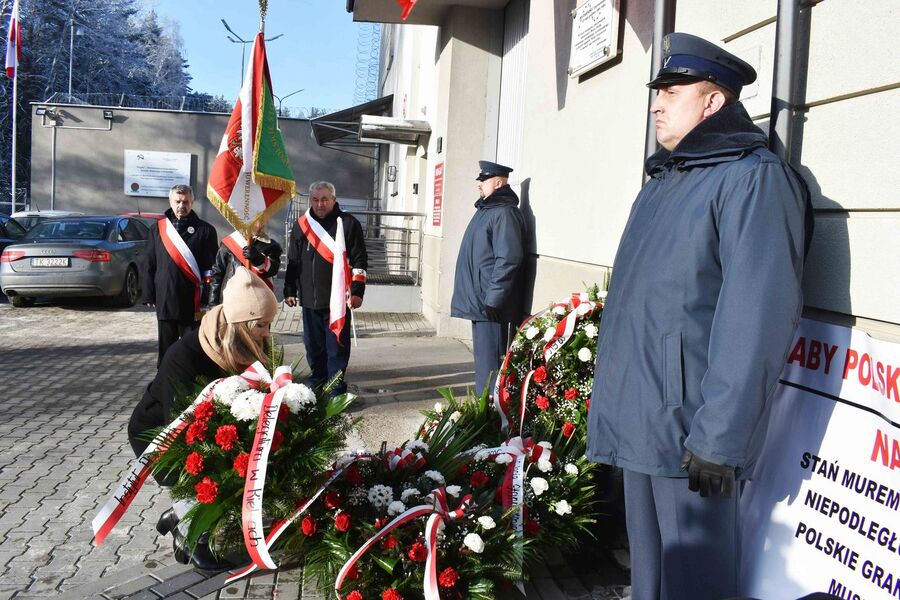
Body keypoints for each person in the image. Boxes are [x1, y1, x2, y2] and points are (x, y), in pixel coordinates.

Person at [586, 33, 813, 600]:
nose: (656, 103)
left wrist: (720, 437)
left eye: (671, 90)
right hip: (642, 422)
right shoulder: (667, 180)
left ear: (713, 102)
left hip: (691, 435)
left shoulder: (752, 178)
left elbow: (756, 318)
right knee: (651, 582)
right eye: (656, 91)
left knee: (694, 584)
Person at [128, 266, 278, 570]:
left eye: (268, 325)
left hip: (214, 429)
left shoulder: (255, 345)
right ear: (241, 324)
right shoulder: (183, 356)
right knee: (203, 477)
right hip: (163, 433)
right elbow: (183, 433)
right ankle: (190, 533)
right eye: (261, 325)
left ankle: (180, 517)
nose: (267, 333)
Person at [283, 181, 368, 395]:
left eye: (324, 199)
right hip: (310, 298)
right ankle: (318, 378)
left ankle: (335, 384)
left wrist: (357, 292)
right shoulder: (301, 225)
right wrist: (290, 289)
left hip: (337, 300)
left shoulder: (348, 224)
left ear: (333, 200)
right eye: (315, 199)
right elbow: (293, 261)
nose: (319, 204)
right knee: (313, 346)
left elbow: (360, 260)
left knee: (336, 346)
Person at [450, 160, 526, 396]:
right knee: (485, 364)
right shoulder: (487, 210)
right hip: (482, 302)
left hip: (491, 305)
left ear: (498, 181)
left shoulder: (503, 213)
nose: (478, 184)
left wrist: (493, 299)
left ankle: (492, 418)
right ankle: (486, 413)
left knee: (491, 368)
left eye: (483, 180)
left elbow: (508, 258)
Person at [142, 184, 218, 365]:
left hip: (193, 300)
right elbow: (149, 263)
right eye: (177, 201)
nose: (181, 206)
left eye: (185, 202)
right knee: (166, 349)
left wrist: (209, 296)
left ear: (192, 203)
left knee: (193, 349)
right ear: (170, 201)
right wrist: (149, 294)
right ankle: (164, 385)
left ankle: (192, 387)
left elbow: (211, 268)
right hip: (166, 297)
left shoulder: (205, 230)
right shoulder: (157, 230)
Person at [208, 220, 282, 305]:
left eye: (263, 219)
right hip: (232, 298)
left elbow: (273, 270)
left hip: (258, 300)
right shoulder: (229, 242)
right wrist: (213, 303)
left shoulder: (272, 245)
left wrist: (259, 259)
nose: (260, 224)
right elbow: (217, 273)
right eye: (255, 220)